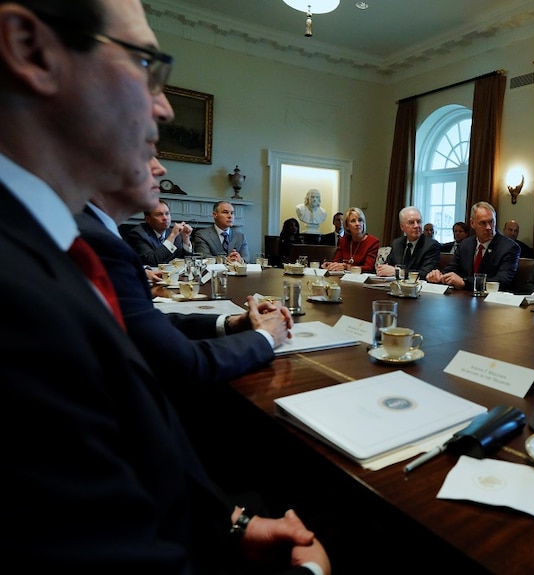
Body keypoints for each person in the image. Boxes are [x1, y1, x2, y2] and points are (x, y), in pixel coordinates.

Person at [0, 1, 328, 572]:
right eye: (147, 64)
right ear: (30, 49)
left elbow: (119, 463)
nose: (164, 105)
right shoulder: (18, 296)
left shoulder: (48, 246)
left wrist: (229, 525)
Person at [78, 156, 290, 386]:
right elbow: (181, 363)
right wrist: (265, 337)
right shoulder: (92, 242)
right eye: (144, 150)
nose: (161, 168)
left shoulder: (98, 233)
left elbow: (151, 323)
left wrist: (232, 323)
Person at [427, 202, 520, 291]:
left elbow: (502, 281)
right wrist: (439, 275)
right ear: (472, 223)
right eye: (483, 223)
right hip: (463, 300)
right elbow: (452, 269)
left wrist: (465, 282)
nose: (488, 227)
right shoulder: (465, 244)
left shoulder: (509, 247)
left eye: (491, 222)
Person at [377, 206, 441, 279]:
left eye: (419, 222)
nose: (416, 226)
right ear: (402, 227)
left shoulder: (431, 245)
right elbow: (387, 265)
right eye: (411, 223)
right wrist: (382, 270)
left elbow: (426, 273)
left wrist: (398, 272)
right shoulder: (397, 243)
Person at [124, 198, 193, 265]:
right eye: (159, 214)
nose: (165, 218)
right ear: (148, 219)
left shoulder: (175, 235)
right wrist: (172, 236)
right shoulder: (138, 234)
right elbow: (152, 261)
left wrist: (186, 238)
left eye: (167, 213)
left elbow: (185, 260)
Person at [321, 206, 379, 273]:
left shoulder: (373, 242)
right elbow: (337, 261)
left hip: (362, 279)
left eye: (360, 220)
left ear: (363, 223)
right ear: (347, 226)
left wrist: (347, 267)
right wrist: (331, 265)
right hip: (344, 277)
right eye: (353, 221)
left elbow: (368, 267)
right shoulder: (343, 241)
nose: (357, 224)